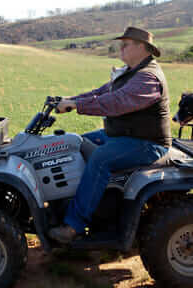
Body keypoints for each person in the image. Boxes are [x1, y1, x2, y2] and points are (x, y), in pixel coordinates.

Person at [48, 26, 172, 244]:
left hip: (147, 143)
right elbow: (99, 93)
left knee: (100, 159)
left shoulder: (148, 78)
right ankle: (75, 202)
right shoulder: (128, 73)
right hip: (121, 136)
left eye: (126, 43)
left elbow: (117, 102)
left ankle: (74, 225)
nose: (121, 47)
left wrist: (76, 105)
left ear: (143, 47)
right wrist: (69, 99)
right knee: (77, 143)